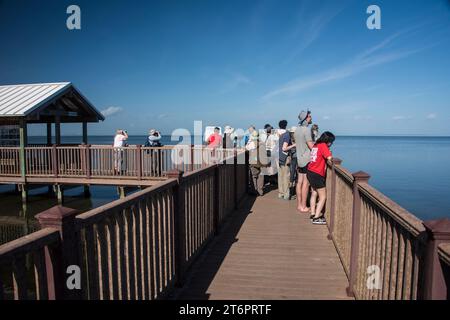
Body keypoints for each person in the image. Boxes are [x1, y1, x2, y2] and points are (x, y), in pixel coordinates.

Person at [307, 131, 335, 225]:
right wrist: (330, 154)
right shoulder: (323, 145)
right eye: (331, 142)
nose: (331, 144)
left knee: (314, 193)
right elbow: (329, 158)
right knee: (323, 196)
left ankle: (312, 214)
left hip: (310, 171)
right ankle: (317, 217)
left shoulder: (316, 145)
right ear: (328, 141)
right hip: (317, 174)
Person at [294, 110, 314, 213]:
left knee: (299, 182)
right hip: (306, 160)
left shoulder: (297, 130)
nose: (311, 118)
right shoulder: (307, 130)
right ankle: (303, 206)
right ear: (306, 118)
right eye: (309, 117)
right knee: (306, 183)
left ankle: (299, 205)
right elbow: (311, 146)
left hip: (299, 159)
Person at [278, 120, 296, 200]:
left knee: (281, 176)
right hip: (285, 158)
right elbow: (284, 148)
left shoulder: (282, 135)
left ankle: (281, 193)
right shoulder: (288, 136)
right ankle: (286, 195)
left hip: (280, 158)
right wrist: (294, 145)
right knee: (286, 176)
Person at [247, 132, 269, 196]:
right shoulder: (262, 143)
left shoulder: (251, 144)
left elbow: (246, 148)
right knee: (261, 177)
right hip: (262, 162)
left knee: (253, 176)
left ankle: (254, 190)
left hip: (254, 162)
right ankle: (260, 191)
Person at [289, 126, 298, 198]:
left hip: (292, 157)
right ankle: (293, 190)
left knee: (292, 173)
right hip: (297, 157)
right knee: (296, 174)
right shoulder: (297, 138)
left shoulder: (290, 138)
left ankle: (291, 191)